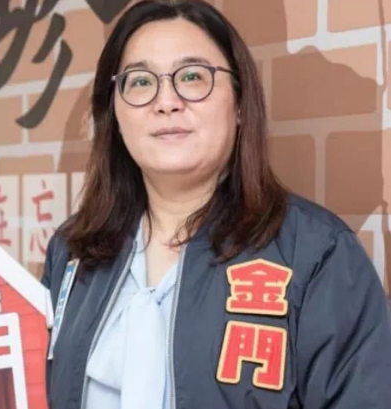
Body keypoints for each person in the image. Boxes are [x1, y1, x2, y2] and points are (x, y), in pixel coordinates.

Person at [40, 0, 391, 408]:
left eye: (192, 76)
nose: (166, 101)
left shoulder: (317, 255)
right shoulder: (72, 251)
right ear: (114, 114)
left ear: (239, 104)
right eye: (140, 81)